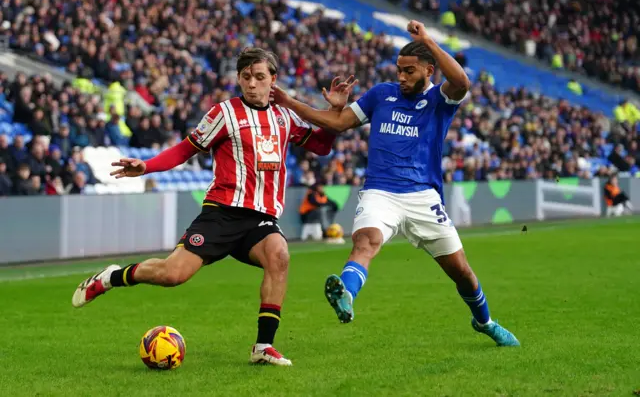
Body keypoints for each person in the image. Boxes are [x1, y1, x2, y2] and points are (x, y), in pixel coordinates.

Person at [71, 48, 344, 366]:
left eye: (259, 77)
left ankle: (263, 346)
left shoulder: (284, 116)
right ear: (239, 80)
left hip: (260, 219)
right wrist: (146, 166)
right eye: (246, 78)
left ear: (273, 79)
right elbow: (184, 150)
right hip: (221, 213)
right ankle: (110, 278)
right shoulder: (224, 114)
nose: (252, 84)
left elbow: (322, 146)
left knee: (279, 255)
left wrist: (333, 115)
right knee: (173, 275)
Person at [272, 20, 520, 347]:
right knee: (365, 242)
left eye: (410, 71)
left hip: (422, 196)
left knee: (461, 271)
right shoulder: (382, 95)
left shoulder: (439, 100)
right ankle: (346, 293)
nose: (401, 77)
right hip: (380, 192)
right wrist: (290, 102)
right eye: (399, 70)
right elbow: (339, 121)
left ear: (429, 70)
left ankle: (485, 321)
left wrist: (429, 41)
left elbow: (461, 81)